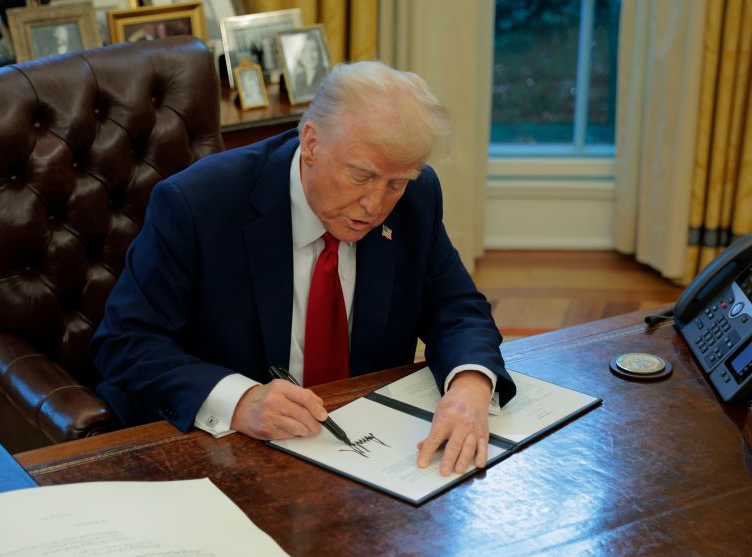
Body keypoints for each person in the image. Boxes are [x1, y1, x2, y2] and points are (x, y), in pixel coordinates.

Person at [90, 60, 516, 476]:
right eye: (361, 176)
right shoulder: (197, 204)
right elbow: (125, 342)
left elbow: (457, 308)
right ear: (311, 143)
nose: (376, 205)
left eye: (396, 184)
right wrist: (240, 401)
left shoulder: (417, 199)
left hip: (367, 454)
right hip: (223, 457)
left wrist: (470, 388)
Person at [289, 34, 327, 101]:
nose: (309, 56)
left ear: (319, 52)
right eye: (304, 51)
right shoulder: (299, 78)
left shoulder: (327, 75)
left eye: (313, 50)